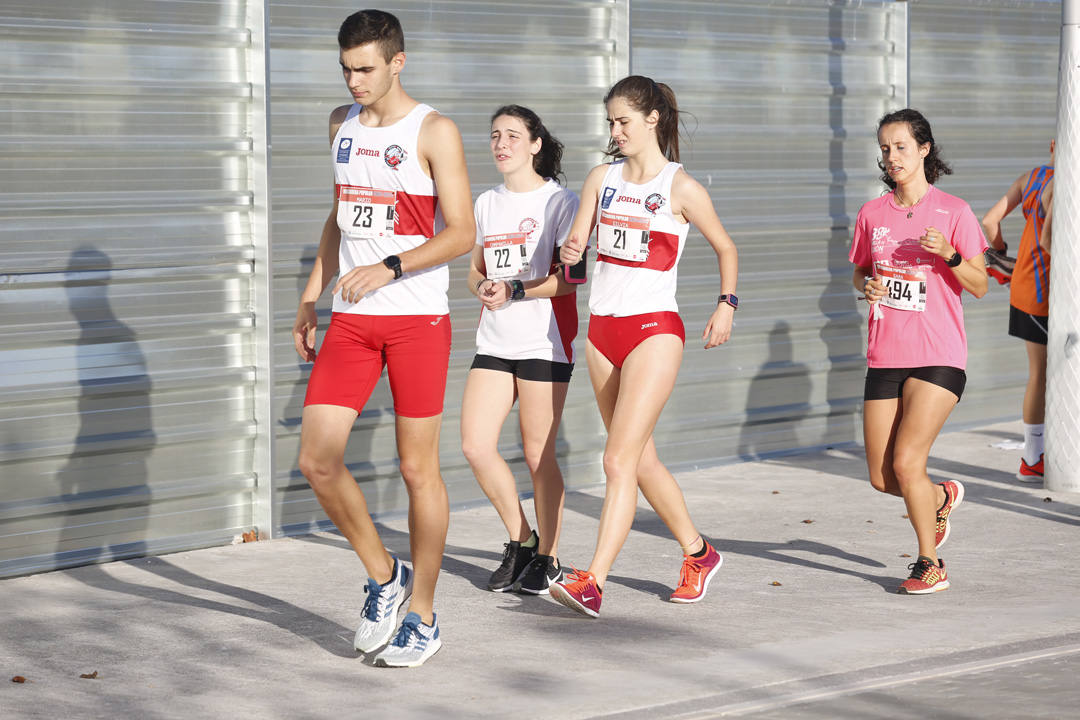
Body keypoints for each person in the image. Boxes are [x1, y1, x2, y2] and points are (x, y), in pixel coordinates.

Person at [291, 9, 474, 668]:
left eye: (365, 67)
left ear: (399, 61)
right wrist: (312, 297)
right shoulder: (339, 125)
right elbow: (339, 216)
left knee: (417, 468)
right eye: (346, 68)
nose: (354, 79)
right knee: (317, 460)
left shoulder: (435, 130)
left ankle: (422, 614)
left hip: (417, 322)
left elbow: (462, 233)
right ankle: (383, 575)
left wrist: (391, 265)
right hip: (352, 321)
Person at [549, 76, 738, 618]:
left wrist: (726, 303)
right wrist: (572, 248)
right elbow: (577, 252)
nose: (615, 131)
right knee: (642, 459)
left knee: (616, 459)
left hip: (654, 330)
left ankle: (594, 580)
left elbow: (726, 246)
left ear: (653, 119)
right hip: (602, 332)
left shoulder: (681, 188)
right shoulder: (600, 179)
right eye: (610, 121)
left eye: (624, 121)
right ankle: (698, 553)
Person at [851, 109, 988, 594]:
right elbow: (862, 272)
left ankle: (929, 563)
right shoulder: (872, 214)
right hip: (885, 353)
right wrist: (867, 287)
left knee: (908, 461)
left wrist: (948, 255)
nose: (892, 157)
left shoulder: (954, 212)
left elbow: (979, 285)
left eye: (901, 147)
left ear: (925, 149)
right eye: (885, 149)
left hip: (939, 354)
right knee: (883, 477)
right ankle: (939, 496)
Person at [461, 106, 580, 595]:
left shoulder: (561, 202)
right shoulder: (486, 202)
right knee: (474, 445)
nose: (501, 143)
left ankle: (548, 557)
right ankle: (522, 538)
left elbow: (570, 281)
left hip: (543, 341)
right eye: (495, 136)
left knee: (537, 455)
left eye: (513, 135)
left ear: (535, 144)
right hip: (495, 339)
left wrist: (516, 290)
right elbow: (473, 268)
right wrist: (485, 286)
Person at [980, 141, 1055, 482]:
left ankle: (1032, 456)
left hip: (1024, 285)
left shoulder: (1032, 177)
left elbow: (989, 221)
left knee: (1038, 373)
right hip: (1048, 293)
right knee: (1047, 375)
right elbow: (1048, 241)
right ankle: (1033, 459)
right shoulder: (1063, 185)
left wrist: (1002, 256)